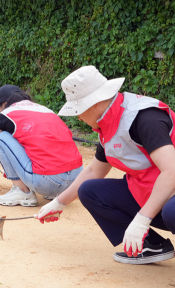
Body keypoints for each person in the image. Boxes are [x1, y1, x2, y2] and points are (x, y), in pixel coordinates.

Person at [36, 66, 175, 265]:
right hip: (155, 193)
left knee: (172, 211)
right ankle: (150, 246)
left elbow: (171, 170)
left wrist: (142, 219)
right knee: (90, 191)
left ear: (95, 103)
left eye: (78, 109)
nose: (78, 118)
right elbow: (94, 171)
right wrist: (58, 203)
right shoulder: (106, 125)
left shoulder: (144, 118)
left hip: (170, 195)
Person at [0, 85, 83, 206]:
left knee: (1, 138)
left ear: (4, 104)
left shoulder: (6, 114)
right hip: (76, 181)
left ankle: (22, 191)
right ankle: (55, 192)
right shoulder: (46, 110)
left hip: (48, 182)